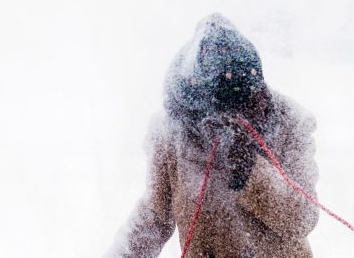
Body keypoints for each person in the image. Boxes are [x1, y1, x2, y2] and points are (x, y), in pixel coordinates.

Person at [105, 13, 319, 258]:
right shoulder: (171, 132)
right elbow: (155, 217)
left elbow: (303, 218)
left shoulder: (290, 122)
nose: (253, 109)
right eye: (239, 106)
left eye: (255, 96)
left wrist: (251, 170)